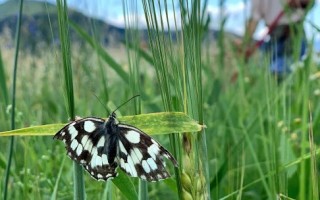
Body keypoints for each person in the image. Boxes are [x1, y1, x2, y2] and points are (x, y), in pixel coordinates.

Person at [237, 0, 314, 81]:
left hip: (293, 34)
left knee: (278, 70)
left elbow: (309, 3)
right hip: (273, 37)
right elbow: (253, 20)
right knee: (260, 68)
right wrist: (245, 45)